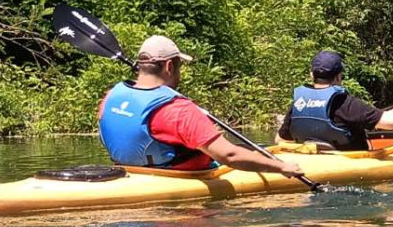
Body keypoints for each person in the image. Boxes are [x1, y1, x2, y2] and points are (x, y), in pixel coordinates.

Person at [99, 35, 304, 178]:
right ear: (170, 66)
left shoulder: (112, 96)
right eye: (179, 66)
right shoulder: (178, 110)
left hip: (130, 173)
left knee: (248, 149)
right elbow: (229, 156)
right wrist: (281, 167)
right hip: (183, 184)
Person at [276, 50, 393, 150]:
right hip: (349, 164)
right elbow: (392, 122)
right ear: (338, 76)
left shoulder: (299, 104)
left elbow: (280, 140)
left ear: (311, 75)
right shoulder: (344, 103)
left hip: (311, 162)